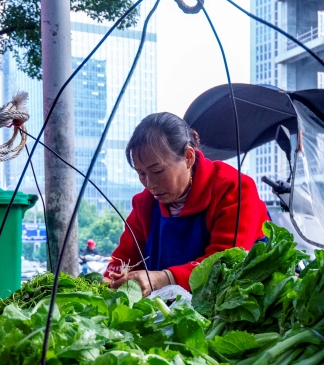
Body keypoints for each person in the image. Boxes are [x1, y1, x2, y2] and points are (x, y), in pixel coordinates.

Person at [104, 112, 269, 296]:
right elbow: (122, 259)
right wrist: (108, 281)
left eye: (157, 171)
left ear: (188, 157)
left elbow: (226, 264)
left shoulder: (234, 189)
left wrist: (162, 278)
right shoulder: (145, 203)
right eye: (141, 174)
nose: (150, 184)